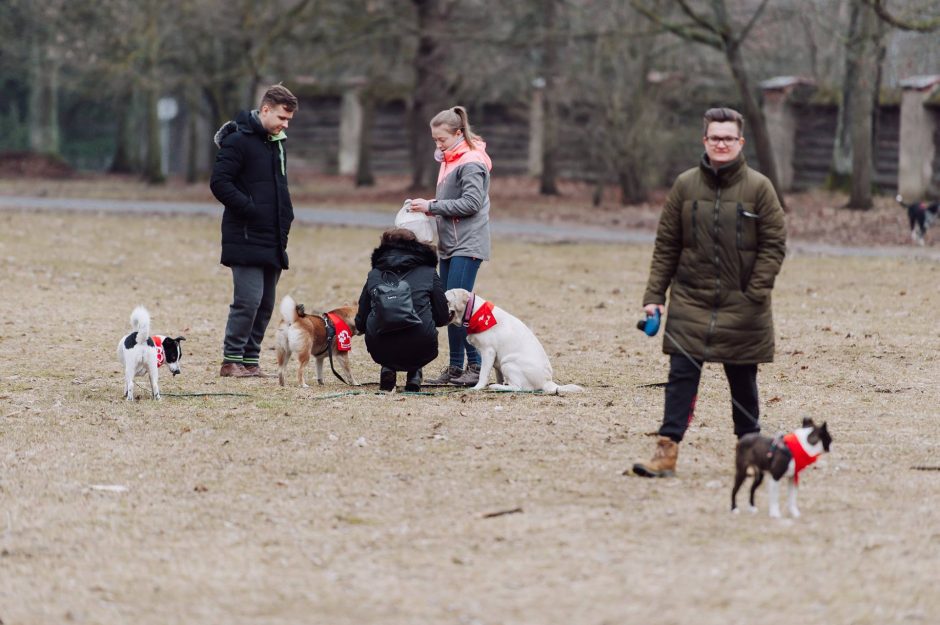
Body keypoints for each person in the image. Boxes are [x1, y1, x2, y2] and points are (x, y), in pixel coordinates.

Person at [631, 107, 787, 478]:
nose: (721, 143)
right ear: (704, 141)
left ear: (740, 142)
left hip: (743, 304)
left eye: (728, 138)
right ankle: (666, 453)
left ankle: (751, 452)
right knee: (681, 379)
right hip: (690, 302)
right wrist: (655, 295)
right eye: (715, 137)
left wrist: (755, 291)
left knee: (743, 383)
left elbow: (774, 245)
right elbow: (666, 244)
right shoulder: (685, 185)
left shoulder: (759, 188)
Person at [210, 84, 298, 378]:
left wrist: (285, 216)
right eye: (281, 118)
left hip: (272, 237)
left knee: (265, 304)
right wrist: (249, 209)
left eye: (288, 120)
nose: (285, 125)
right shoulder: (238, 141)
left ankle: (250, 361)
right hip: (245, 234)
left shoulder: (277, 142)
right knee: (247, 300)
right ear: (265, 110)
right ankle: (230, 361)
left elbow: (279, 187)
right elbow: (220, 183)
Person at [408, 106, 493, 386]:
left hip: (467, 244)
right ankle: (456, 367)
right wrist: (428, 208)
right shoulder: (450, 159)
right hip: (450, 244)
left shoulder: (472, 162)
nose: (438, 144)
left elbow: (471, 203)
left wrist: (432, 206)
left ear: (458, 133)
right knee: (446, 307)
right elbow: (450, 201)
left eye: (442, 139)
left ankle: (475, 366)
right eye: (434, 140)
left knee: (460, 307)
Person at [355, 228, 449, 392]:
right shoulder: (429, 272)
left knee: (385, 326)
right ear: (416, 246)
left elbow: (361, 323)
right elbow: (442, 317)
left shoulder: (375, 274)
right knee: (417, 332)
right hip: (422, 343)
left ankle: (387, 368)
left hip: (380, 345)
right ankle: (414, 372)